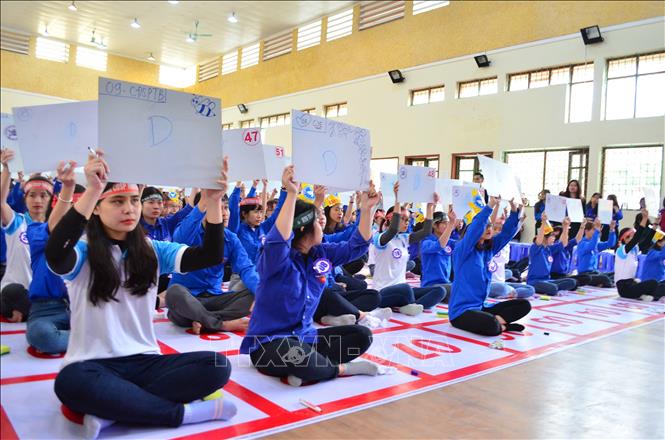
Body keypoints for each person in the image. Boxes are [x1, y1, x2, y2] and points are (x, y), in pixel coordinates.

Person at [46, 151, 236, 438]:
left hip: (145, 361)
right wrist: (92, 189)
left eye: (134, 200)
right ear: (97, 208)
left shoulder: (153, 250)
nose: (130, 209)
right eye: (118, 201)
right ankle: (180, 414)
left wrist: (213, 201)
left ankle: (114, 409)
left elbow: (211, 255)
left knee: (217, 365)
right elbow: (55, 252)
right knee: (69, 383)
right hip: (92, 365)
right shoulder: (84, 252)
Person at [240, 166, 381, 387]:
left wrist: (367, 209)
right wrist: (292, 193)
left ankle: (312, 369)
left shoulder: (320, 253)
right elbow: (279, 238)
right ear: (304, 228)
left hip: (306, 338)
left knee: (362, 335)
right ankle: (337, 369)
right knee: (296, 354)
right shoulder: (276, 259)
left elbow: (358, 246)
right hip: (270, 344)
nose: (322, 223)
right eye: (317, 219)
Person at [165, 190, 257, 334]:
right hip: (190, 297)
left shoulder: (231, 238)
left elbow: (246, 268)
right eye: (218, 208)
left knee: (254, 293)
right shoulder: (189, 232)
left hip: (216, 299)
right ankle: (222, 324)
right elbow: (180, 239)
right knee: (173, 293)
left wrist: (261, 292)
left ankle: (204, 320)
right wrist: (203, 202)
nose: (224, 213)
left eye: (226, 207)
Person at [449, 197, 531, 336]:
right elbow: (476, 226)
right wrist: (490, 205)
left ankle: (499, 323)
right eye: (485, 226)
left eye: (490, 226)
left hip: (481, 308)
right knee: (491, 325)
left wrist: (513, 210)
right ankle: (500, 325)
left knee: (524, 305)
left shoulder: (488, 250)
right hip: (461, 312)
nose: (489, 229)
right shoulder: (462, 250)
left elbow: (506, 234)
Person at [25, 161, 83, 354]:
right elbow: (56, 228)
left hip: (80, 307)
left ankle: (89, 336)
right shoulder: (35, 230)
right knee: (42, 335)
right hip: (46, 310)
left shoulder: (92, 239)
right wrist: (68, 188)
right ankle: (91, 339)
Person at [372, 182, 445, 316]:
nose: (407, 222)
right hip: (383, 291)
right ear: (390, 219)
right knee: (406, 289)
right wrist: (398, 199)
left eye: (408, 219)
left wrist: (430, 207)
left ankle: (408, 306)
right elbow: (393, 229)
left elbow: (426, 231)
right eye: (403, 219)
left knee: (439, 291)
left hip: (403, 290)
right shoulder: (380, 238)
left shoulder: (404, 238)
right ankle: (409, 305)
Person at [1, 149, 52, 323]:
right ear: (25, 198)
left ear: (51, 199)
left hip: (42, 294)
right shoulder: (17, 222)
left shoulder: (55, 227)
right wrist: (7, 168)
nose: (37, 200)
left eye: (43, 195)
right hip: (15, 290)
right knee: (11, 292)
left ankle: (29, 312)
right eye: (32, 195)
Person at [614, 209, 664, 301]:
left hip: (632, 283)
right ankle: (652, 296)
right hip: (624, 288)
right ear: (623, 240)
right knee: (653, 284)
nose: (632, 238)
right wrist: (644, 218)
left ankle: (648, 295)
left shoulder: (634, 249)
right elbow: (636, 239)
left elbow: (648, 241)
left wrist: (656, 224)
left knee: (660, 283)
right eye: (628, 236)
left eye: (632, 235)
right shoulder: (622, 250)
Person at [526, 216, 577, 295]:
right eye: (551, 236)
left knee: (572, 282)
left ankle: (552, 288)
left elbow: (563, 243)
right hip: (534, 281)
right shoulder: (536, 248)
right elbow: (539, 240)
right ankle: (552, 288)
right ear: (545, 237)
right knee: (553, 288)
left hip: (547, 280)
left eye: (554, 236)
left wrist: (566, 227)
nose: (554, 238)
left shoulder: (549, 249)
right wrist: (543, 223)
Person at [489, 214, 536, 299]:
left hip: (501, 282)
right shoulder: (487, 244)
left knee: (530, 289)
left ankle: (509, 293)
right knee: (503, 287)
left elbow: (510, 233)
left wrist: (520, 221)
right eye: (495, 229)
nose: (497, 231)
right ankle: (509, 292)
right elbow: (490, 224)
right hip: (490, 284)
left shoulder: (505, 245)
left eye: (500, 230)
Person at [420, 208, 458, 300]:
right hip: (431, 286)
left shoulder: (450, 242)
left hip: (446, 283)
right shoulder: (426, 242)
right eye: (444, 223)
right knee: (458, 290)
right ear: (434, 225)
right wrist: (451, 224)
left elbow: (465, 244)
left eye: (447, 223)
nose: (447, 225)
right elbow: (439, 245)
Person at [576, 218, 616, 287]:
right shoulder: (582, 243)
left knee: (615, 274)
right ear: (586, 231)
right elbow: (591, 246)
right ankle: (605, 283)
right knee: (605, 278)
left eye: (596, 229)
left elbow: (610, 244)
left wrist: (611, 229)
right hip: (585, 274)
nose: (596, 231)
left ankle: (602, 283)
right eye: (594, 229)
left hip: (595, 272)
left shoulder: (596, 244)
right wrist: (597, 230)